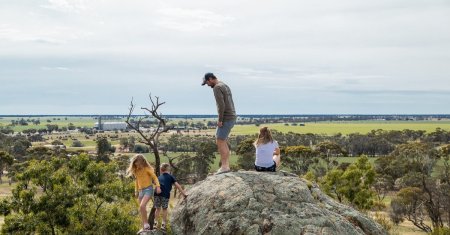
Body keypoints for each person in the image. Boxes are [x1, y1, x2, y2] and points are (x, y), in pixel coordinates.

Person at [201, 72, 236, 174]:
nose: (207, 85)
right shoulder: (225, 85)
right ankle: (226, 166)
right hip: (232, 116)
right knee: (222, 140)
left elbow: (221, 105)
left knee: (220, 141)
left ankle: (224, 166)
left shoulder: (217, 87)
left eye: (207, 82)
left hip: (226, 117)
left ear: (211, 79)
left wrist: (220, 120)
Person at [127, 154, 161, 234]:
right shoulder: (136, 170)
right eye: (135, 163)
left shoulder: (147, 169)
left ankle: (146, 224)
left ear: (142, 162)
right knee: (141, 209)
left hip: (148, 189)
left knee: (142, 206)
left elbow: (155, 177)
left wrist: (158, 186)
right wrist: (136, 191)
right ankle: (144, 228)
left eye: (138, 163)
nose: (136, 164)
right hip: (140, 191)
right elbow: (136, 181)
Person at [153, 163, 188, 230]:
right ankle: (163, 224)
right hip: (165, 194)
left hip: (156, 194)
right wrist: (184, 194)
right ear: (168, 169)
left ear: (161, 170)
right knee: (164, 209)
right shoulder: (170, 176)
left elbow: (155, 184)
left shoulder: (159, 177)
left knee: (157, 209)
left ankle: (155, 223)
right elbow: (177, 185)